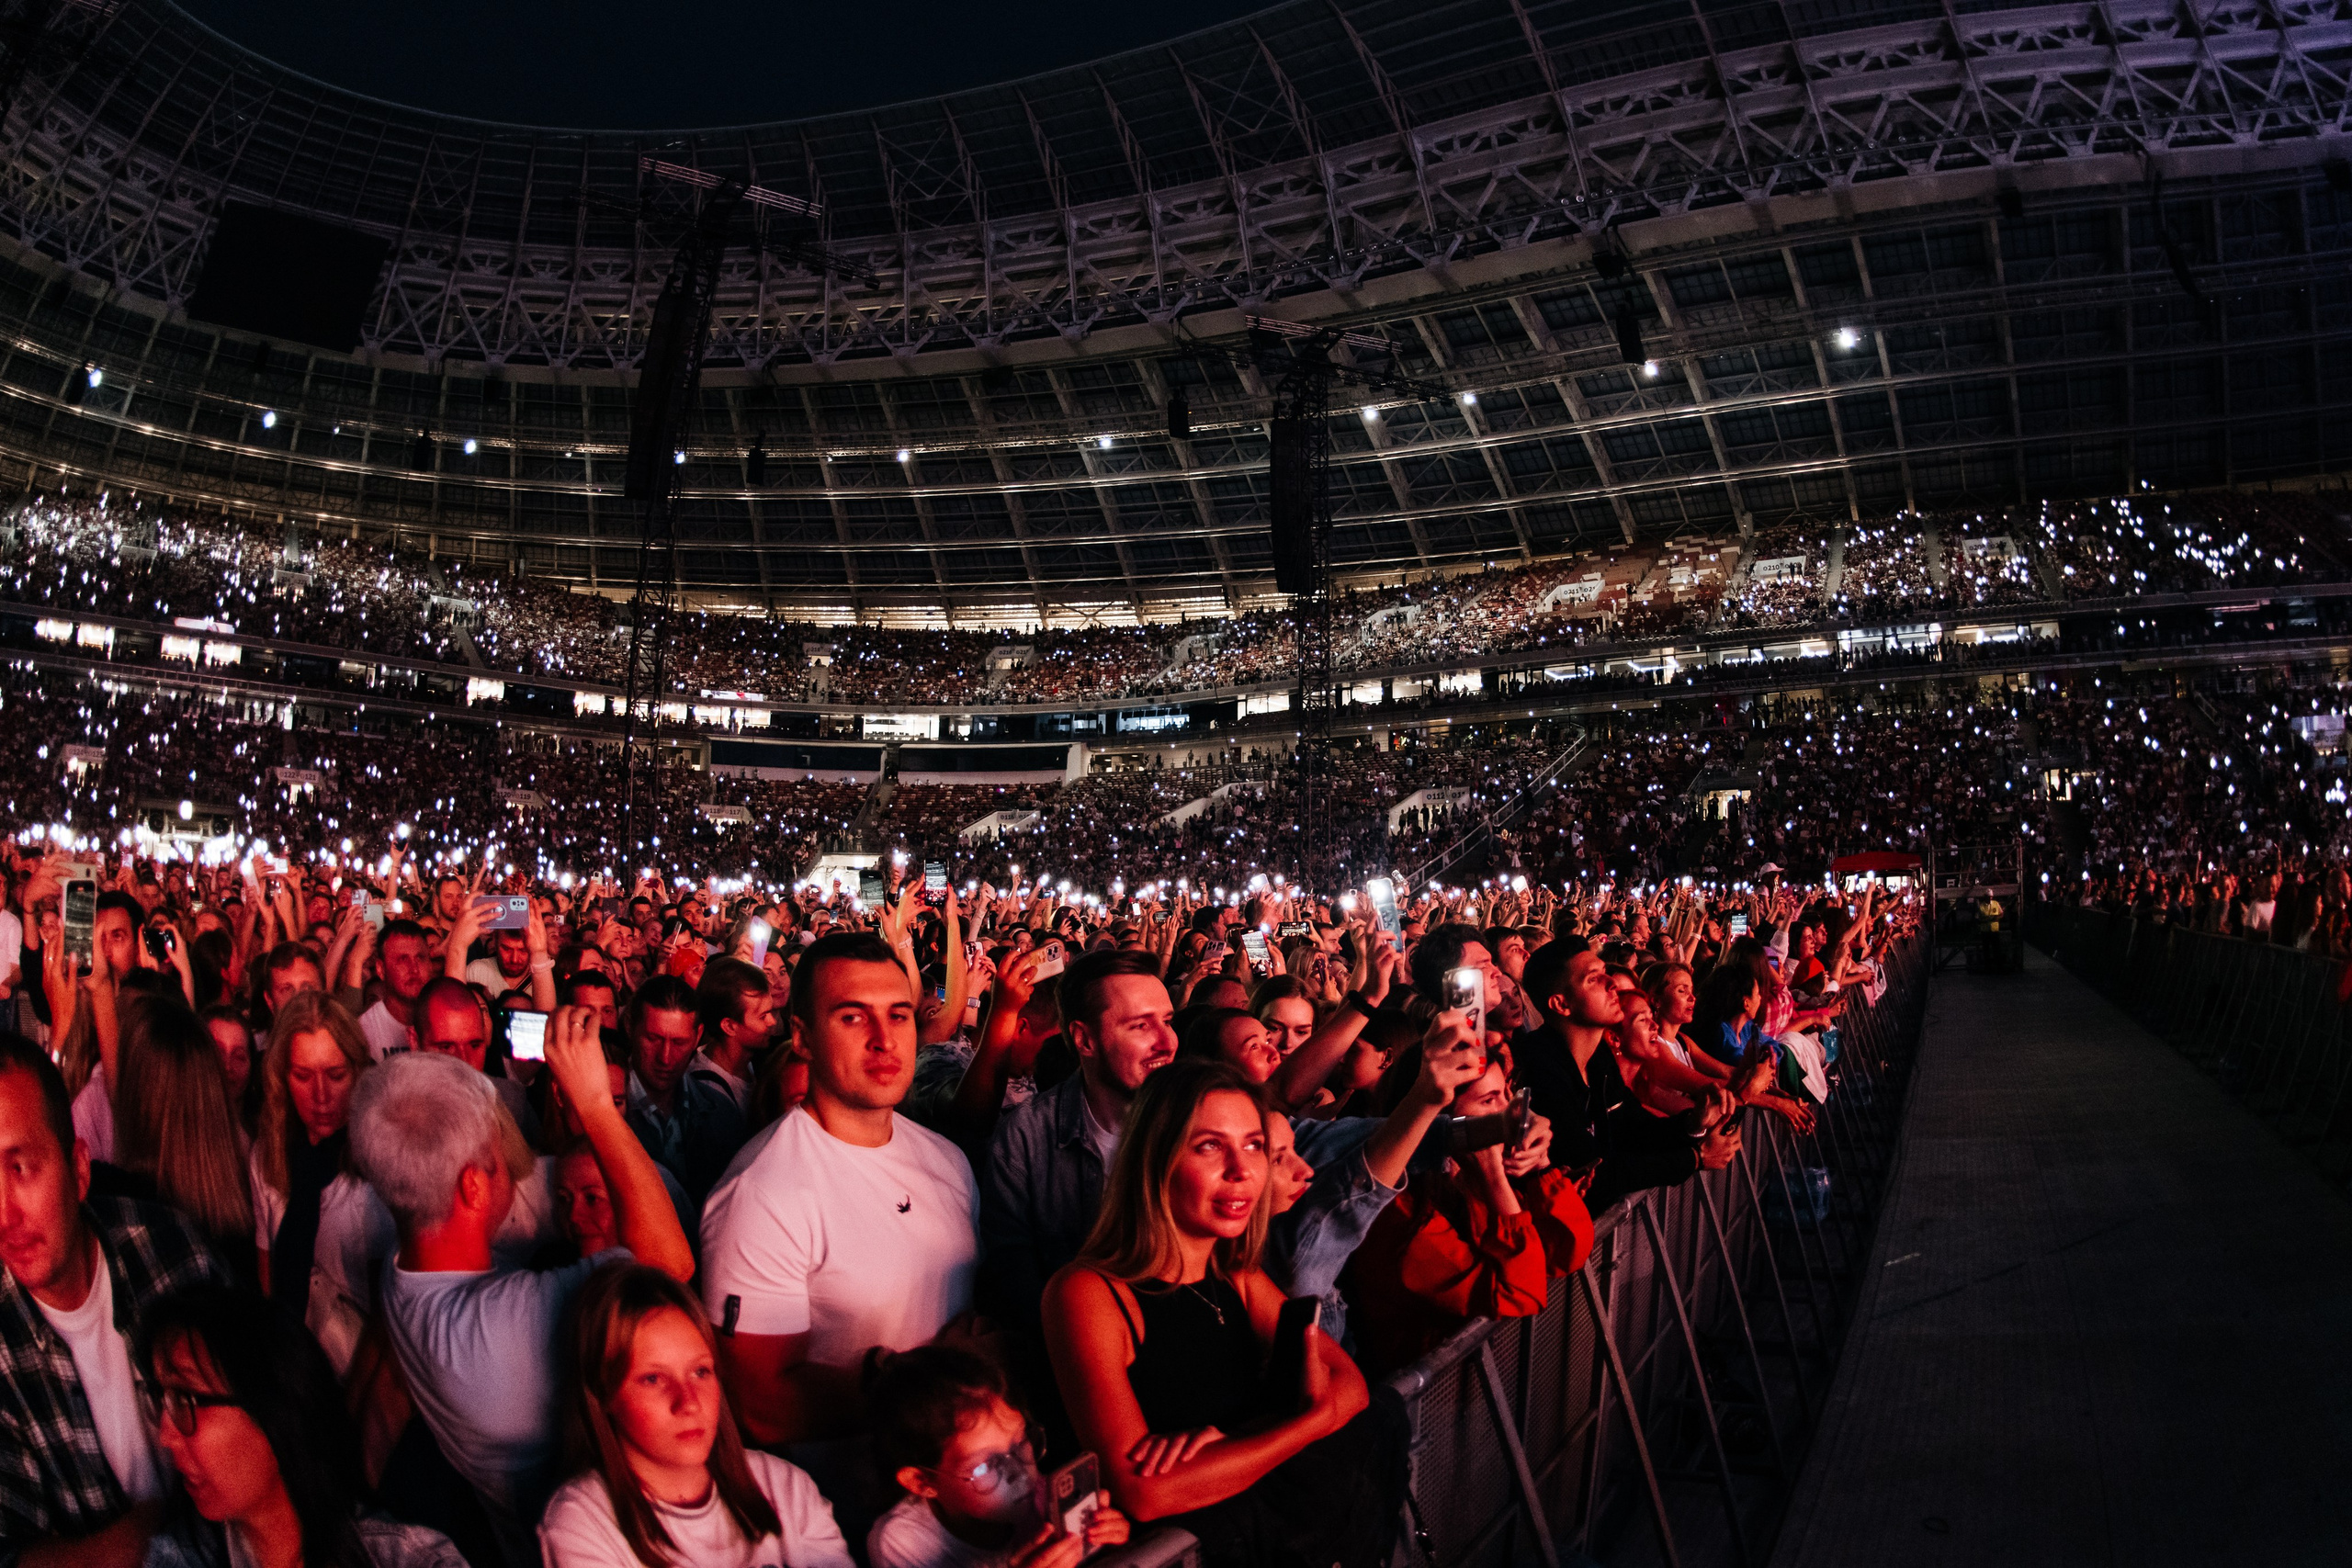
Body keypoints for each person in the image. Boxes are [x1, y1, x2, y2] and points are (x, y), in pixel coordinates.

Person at [351, 1008, 694, 1567]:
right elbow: (669, 1264)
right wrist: (596, 1107)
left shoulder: (400, 1273)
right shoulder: (502, 1325)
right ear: (473, 1187)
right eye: (499, 1152)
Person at [1038, 1059, 1398, 1568]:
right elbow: (1145, 1493)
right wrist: (1309, 1420)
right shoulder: (1087, 1293)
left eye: (1253, 1145)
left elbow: (1352, 1387)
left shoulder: (1238, 1276)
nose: (1242, 1169)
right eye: (1210, 1146)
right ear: (1155, 1158)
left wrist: (1232, 1444)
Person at [698, 932, 979, 1522]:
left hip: (958, 1507)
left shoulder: (949, 1162)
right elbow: (763, 1404)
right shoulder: (764, 1192)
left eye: (898, 1015)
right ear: (802, 1037)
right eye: (853, 1017)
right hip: (842, 1520)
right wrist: (938, 1392)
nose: (884, 1038)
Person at [0, 1032, 232, 1568]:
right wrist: (152, 1534)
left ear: (80, 1170)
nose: (5, 1215)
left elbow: (273, 1427)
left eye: (21, 1167)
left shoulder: (171, 1253)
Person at [539, 1264, 853, 1568]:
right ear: (604, 1393)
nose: (688, 1403)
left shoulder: (786, 1488)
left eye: (700, 1371)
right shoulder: (582, 1522)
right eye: (653, 1379)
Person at [136, 1285, 468, 1568]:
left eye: (185, 1399)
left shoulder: (409, 1559)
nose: (165, 1436)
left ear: (273, 1412)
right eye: (160, 1398)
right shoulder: (178, 1556)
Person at [1340, 1055, 1592, 1375]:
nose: (1509, 1113)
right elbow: (1520, 1296)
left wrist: (1539, 1170)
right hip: (1432, 1392)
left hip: (1484, 1381)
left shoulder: (1468, 1179)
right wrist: (1494, 1176)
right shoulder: (1401, 1210)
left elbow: (1567, 1253)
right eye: (1489, 1100)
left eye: (1506, 1094)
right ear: (1444, 1119)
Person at [978, 950, 1174, 1326]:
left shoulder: (1198, 1123)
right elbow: (1013, 1277)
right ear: (1085, 1040)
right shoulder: (1028, 1137)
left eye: (1168, 1021)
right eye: (1140, 1026)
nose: (1167, 1042)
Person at [1516, 942, 1736, 1212]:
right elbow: (1594, 1169)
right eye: (1593, 979)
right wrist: (1695, 1158)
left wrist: (1694, 1123)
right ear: (1561, 1004)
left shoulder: (1598, 1057)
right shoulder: (1541, 1072)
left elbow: (1635, 1127)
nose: (1611, 983)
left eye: (1604, 972)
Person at [865, 1345, 1129, 1568]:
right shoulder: (902, 1542)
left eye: (1020, 1441)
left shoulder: (1042, 1498)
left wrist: (1104, 1537)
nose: (1020, 1472)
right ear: (922, 1481)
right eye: (986, 1466)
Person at [98, 997, 257, 1281]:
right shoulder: (238, 1224)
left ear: (135, 1093)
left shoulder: (113, 1204)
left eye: (239, 1055)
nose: (228, 1066)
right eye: (219, 1053)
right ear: (209, 1086)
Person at [622, 976, 745, 1201]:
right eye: (653, 1039)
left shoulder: (721, 1112)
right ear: (630, 1027)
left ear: (697, 1036)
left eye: (679, 1043)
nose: (665, 1057)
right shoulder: (607, 1108)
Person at [411, 976, 539, 1143]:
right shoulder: (395, 1112)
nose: (464, 1061)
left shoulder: (511, 1101)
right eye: (446, 1047)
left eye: (474, 1045)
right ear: (414, 1042)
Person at [689, 959, 771, 1113]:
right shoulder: (707, 1093)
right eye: (763, 1016)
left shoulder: (749, 1063)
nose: (772, 1022)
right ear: (729, 1026)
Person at [352, 921, 435, 1062]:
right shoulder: (363, 1033)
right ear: (380, 969)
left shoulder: (443, 1023)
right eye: (402, 959)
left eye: (420, 958)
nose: (414, 969)